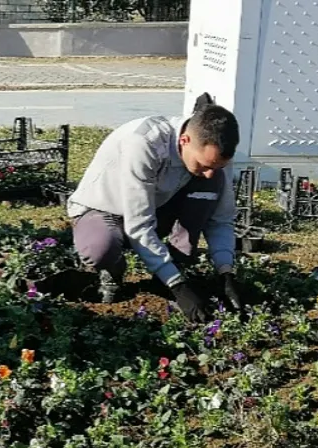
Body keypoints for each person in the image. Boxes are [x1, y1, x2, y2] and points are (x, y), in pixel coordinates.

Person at [66, 101, 243, 322]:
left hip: (156, 206)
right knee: (99, 249)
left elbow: (221, 219)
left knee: (209, 184)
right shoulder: (144, 144)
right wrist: (178, 287)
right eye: (203, 164)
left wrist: (226, 271)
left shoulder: (215, 156)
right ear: (184, 140)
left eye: (216, 166)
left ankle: (175, 266)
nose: (209, 172)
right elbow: (139, 225)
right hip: (105, 210)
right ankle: (115, 268)